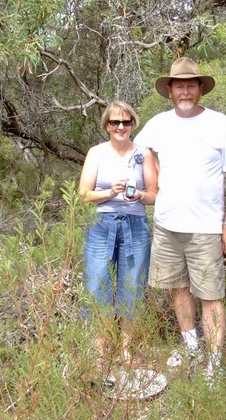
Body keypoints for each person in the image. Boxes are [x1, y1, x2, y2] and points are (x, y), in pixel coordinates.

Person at [134, 57, 226, 379]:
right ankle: (190, 347)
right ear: (169, 91)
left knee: (210, 296)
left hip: (205, 229)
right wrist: (150, 180)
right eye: (178, 87)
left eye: (190, 86)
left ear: (200, 89)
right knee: (178, 289)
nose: (184, 92)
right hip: (167, 224)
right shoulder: (158, 124)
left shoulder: (219, 123)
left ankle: (214, 364)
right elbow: (137, 152)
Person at [79, 101, 158, 365]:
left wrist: (138, 195)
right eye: (115, 122)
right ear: (106, 126)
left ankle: (126, 349)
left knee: (132, 285)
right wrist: (109, 193)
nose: (121, 127)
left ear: (133, 124)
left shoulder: (144, 154)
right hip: (101, 226)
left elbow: (154, 196)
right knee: (97, 283)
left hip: (134, 226)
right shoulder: (96, 153)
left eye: (126, 122)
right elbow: (84, 194)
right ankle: (100, 347)